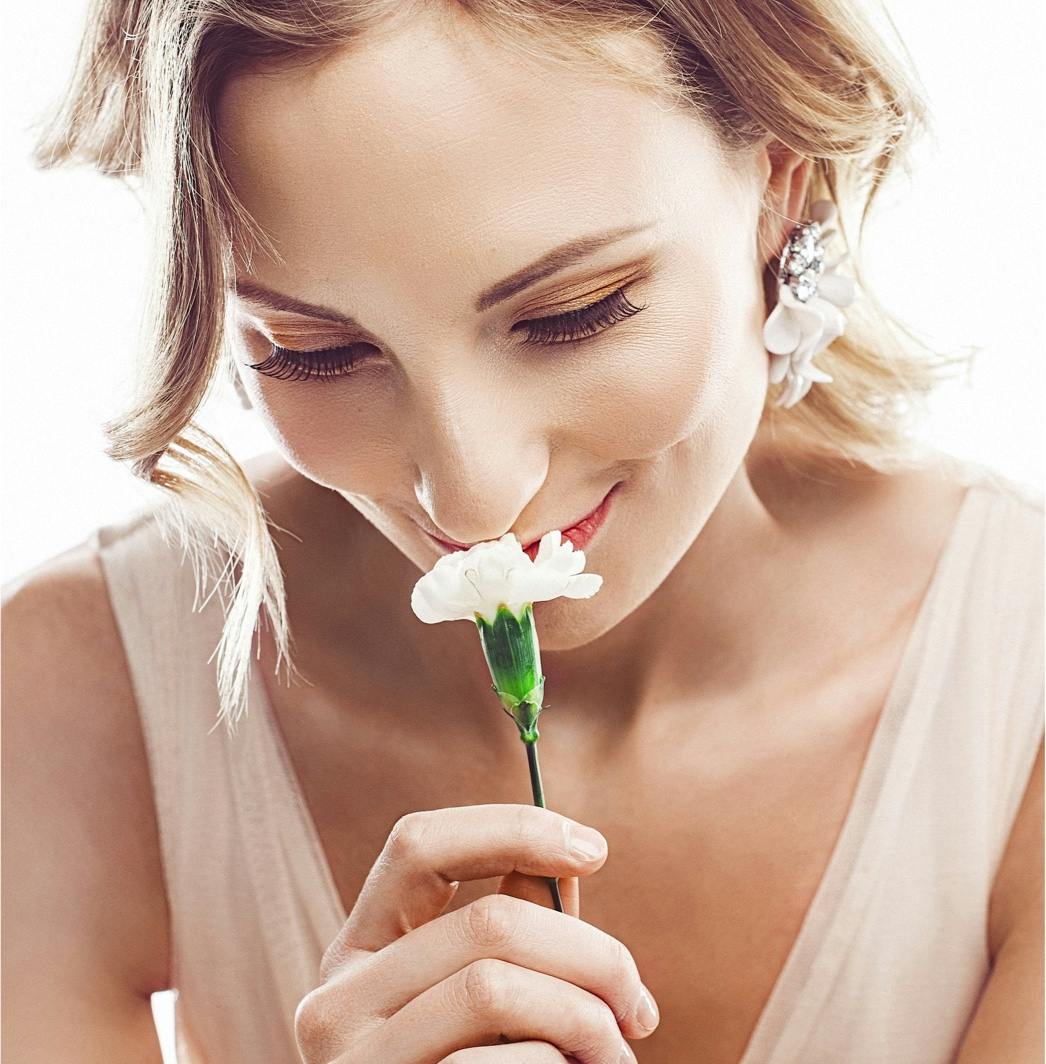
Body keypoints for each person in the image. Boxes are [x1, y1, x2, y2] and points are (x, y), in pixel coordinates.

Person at [4, 1, 1042, 1062]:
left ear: (778, 181)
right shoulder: (79, 696)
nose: (469, 499)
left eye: (573, 313)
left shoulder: (1018, 678)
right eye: (313, 352)